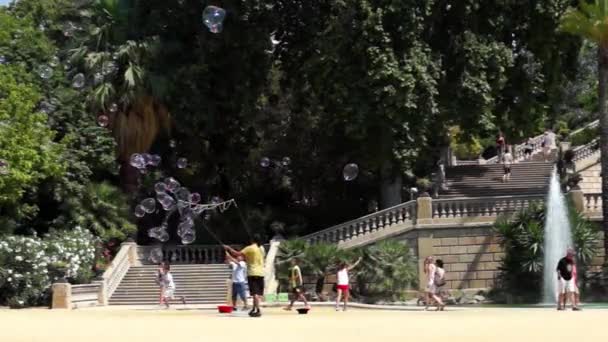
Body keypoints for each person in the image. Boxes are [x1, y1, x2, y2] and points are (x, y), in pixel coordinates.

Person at [224, 236, 265, 317]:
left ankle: (258, 310)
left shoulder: (250, 248)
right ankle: (254, 309)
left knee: (255, 293)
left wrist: (228, 248)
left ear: (252, 240)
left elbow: (237, 253)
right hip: (261, 272)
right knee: (257, 294)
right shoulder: (262, 248)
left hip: (253, 273)